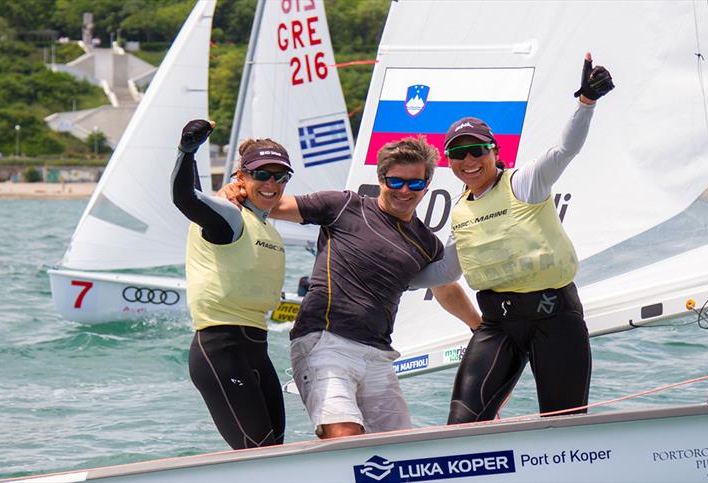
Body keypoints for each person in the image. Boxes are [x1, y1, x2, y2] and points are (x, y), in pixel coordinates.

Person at [221, 136, 481, 439]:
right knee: (344, 435)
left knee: (400, 449)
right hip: (325, 343)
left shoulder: (425, 242)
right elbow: (271, 202)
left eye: (415, 184)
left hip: (379, 355)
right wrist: (237, 192)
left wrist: (480, 327)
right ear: (381, 179)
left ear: (427, 184)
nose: (405, 191)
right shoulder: (344, 205)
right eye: (395, 182)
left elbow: (446, 289)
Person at [410, 53, 615, 423]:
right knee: (463, 422)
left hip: (555, 319)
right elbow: (444, 273)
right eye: (458, 153)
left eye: (477, 150)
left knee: (562, 424)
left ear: (495, 152)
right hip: (497, 325)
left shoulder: (524, 183)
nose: (469, 159)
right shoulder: (460, 211)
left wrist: (586, 103)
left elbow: (564, 150)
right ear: (448, 161)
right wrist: (390, 279)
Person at [172, 119, 290, 449]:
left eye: (280, 176)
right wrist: (188, 151)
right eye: (262, 174)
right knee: (260, 453)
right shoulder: (230, 217)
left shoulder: (266, 226)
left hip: (257, 350)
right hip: (220, 348)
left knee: (274, 453)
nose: (272, 183)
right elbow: (186, 197)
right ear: (242, 176)